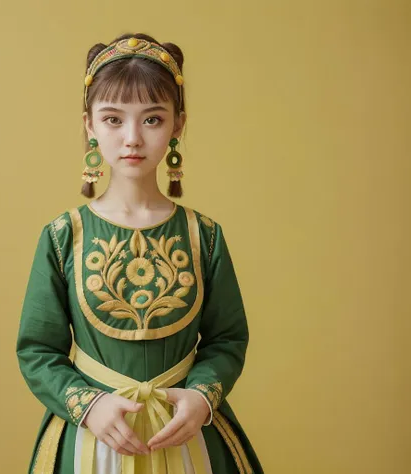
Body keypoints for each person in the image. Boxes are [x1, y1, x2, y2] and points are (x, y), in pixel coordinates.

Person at [16, 32, 264, 474]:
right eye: (113, 119)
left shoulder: (203, 235)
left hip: (189, 435)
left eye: (152, 119)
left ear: (178, 125)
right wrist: (88, 406)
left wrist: (202, 397)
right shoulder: (62, 236)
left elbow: (228, 339)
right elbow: (38, 349)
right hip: (94, 437)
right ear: (89, 125)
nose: (132, 137)